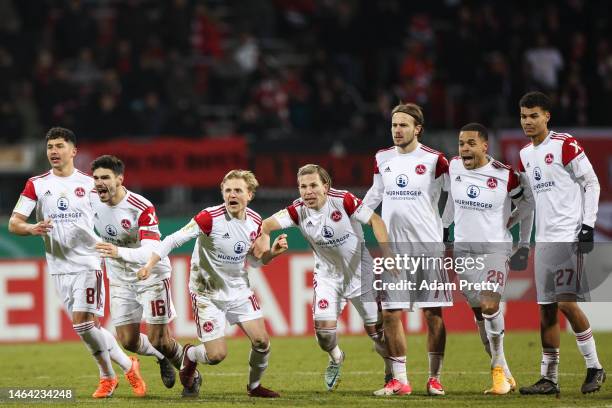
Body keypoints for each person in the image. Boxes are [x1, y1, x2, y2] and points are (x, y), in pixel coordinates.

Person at [8, 128, 146, 398]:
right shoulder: (37, 184)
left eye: (60, 146)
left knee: (83, 324)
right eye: (50, 147)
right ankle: (129, 366)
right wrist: (32, 227)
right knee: (88, 328)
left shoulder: (92, 184)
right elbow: (14, 223)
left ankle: (108, 376)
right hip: (58, 266)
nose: (54, 152)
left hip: (88, 262)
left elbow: (120, 207)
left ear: (73, 151)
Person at [136, 170, 285, 398]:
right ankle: (191, 355)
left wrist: (271, 254)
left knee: (262, 341)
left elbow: (254, 261)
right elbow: (173, 239)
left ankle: (254, 388)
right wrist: (149, 265)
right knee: (216, 356)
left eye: (237, 190)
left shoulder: (255, 222)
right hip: (207, 292)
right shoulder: (209, 218)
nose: (231, 195)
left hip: (238, 290)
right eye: (227, 190)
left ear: (250, 195)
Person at [253, 164, 392, 392]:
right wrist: (268, 250)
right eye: (302, 187)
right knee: (324, 336)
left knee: (377, 334)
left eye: (313, 185)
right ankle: (336, 358)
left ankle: (390, 373)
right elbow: (265, 226)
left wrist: (387, 253)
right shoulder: (297, 210)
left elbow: (376, 220)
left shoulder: (343, 200)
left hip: (361, 274)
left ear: (325, 186)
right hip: (328, 276)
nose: (307, 192)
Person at [515, 91, 605, 395]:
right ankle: (549, 378)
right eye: (524, 116)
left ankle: (595, 367)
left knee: (567, 302)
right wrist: (512, 226)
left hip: (568, 236)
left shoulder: (564, 144)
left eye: (534, 116)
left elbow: (591, 182)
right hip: (545, 241)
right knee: (547, 311)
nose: (528, 122)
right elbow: (529, 201)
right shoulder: (526, 154)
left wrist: (588, 225)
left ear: (546, 116)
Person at [363, 103, 451, 396]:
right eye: (394, 125)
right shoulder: (382, 157)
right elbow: (375, 194)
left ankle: (434, 378)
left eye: (403, 125)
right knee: (390, 313)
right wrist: (352, 220)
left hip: (428, 248)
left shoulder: (435, 160)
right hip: (393, 251)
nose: (397, 130)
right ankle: (400, 380)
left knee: (433, 313)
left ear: (418, 129)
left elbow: (454, 194)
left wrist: (447, 225)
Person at [441, 123, 533, 394]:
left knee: (490, 304)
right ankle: (504, 371)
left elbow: (528, 205)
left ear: (484, 146)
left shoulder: (506, 175)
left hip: (495, 251)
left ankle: (496, 374)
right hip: (463, 252)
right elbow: (450, 202)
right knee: (480, 315)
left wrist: (518, 236)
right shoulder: (454, 167)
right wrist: (444, 230)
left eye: (470, 143)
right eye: (461, 143)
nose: (464, 148)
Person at [91, 155, 183, 390]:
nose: (99, 182)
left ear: (120, 180)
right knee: (128, 341)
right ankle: (162, 358)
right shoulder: (90, 200)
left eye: (105, 178)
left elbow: (151, 251)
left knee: (159, 340)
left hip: (150, 273)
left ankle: (187, 368)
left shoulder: (141, 207)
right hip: (120, 277)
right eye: (96, 178)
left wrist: (117, 251)